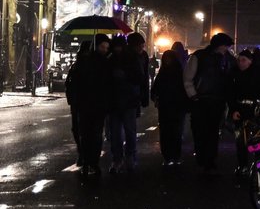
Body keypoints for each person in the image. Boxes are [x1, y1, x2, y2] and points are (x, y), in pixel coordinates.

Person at [183, 32, 236, 172]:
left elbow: (188, 78)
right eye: (226, 46)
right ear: (220, 45)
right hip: (203, 99)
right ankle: (206, 159)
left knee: (210, 132)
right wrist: (194, 95)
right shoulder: (201, 57)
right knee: (203, 131)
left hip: (210, 100)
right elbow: (188, 78)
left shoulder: (200, 56)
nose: (227, 49)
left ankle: (208, 159)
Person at [66, 35, 115, 178]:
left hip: (96, 105)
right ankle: (88, 161)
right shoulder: (84, 64)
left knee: (93, 134)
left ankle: (92, 162)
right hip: (85, 104)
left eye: (106, 48)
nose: (105, 50)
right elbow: (74, 83)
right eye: (102, 47)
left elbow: (108, 85)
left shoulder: (104, 64)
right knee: (87, 134)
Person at [104, 32, 149, 174]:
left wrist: (125, 76)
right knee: (117, 133)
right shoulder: (111, 59)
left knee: (127, 132)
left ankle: (127, 157)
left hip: (128, 100)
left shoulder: (134, 58)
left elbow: (141, 78)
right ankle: (120, 158)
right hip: (116, 101)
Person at [154, 41, 190, 167]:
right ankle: (171, 156)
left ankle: (171, 156)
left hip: (172, 107)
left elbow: (155, 89)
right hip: (172, 107)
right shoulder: (178, 73)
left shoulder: (169, 73)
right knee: (170, 132)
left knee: (172, 132)